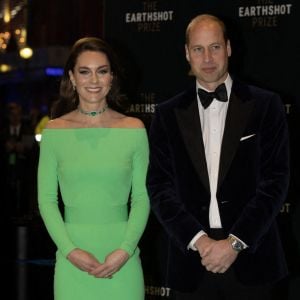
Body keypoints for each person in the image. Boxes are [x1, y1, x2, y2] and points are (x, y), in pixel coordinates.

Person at [146, 14, 289, 300]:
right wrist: (200, 242)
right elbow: (160, 187)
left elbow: (275, 181)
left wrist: (234, 244)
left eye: (215, 47)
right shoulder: (166, 113)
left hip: (253, 258)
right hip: (192, 262)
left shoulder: (266, 105)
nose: (207, 57)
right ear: (187, 53)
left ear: (229, 48)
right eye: (198, 49)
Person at [38, 37, 150, 300]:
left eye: (102, 71)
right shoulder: (54, 132)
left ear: (111, 77)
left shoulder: (133, 129)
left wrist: (125, 250)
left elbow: (143, 198)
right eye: (84, 72)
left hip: (123, 258)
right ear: (72, 78)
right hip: (72, 259)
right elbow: (46, 200)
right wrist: (69, 251)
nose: (94, 80)